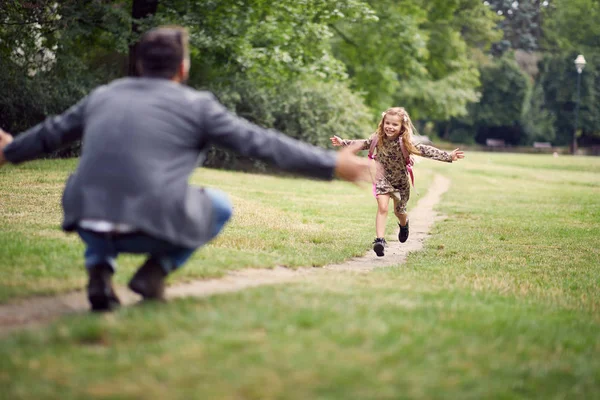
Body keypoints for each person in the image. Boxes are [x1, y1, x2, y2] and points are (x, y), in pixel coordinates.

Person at [0, 26, 371, 312]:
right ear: (183, 66)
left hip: (86, 219)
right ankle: (153, 273)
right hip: (149, 228)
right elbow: (261, 142)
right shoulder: (197, 106)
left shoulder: (104, 95)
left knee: (99, 182)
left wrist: (10, 151)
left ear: (141, 64)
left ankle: (99, 273)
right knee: (220, 205)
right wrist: (331, 162)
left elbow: (51, 133)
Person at [330, 107, 464, 257]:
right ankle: (379, 240)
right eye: (387, 123)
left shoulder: (405, 143)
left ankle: (404, 224)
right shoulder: (377, 139)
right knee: (382, 207)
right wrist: (343, 142)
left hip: (400, 182)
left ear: (402, 127)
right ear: (383, 123)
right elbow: (362, 143)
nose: (390, 127)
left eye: (395, 124)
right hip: (382, 178)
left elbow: (426, 150)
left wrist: (448, 156)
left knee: (399, 212)